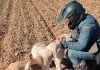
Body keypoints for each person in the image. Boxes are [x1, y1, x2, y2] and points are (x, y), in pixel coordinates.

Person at [56, 0, 100, 70]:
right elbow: (77, 35)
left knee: (71, 53)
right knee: (70, 49)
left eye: (69, 18)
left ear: (76, 15)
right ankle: (81, 63)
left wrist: (64, 43)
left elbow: (81, 45)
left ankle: (83, 68)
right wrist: (65, 36)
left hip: (97, 50)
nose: (68, 20)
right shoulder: (81, 21)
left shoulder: (87, 25)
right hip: (91, 45)